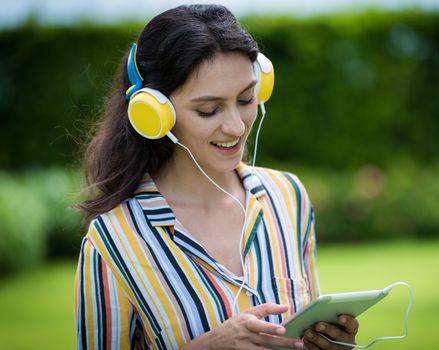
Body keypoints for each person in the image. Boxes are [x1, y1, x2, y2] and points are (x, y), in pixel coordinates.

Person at [75, 4, 359, 349]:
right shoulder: (114, 239)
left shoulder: (289, 196)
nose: (237, 126)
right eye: (208, 109)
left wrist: (330, 343)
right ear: (154, 113)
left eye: (246, 99)